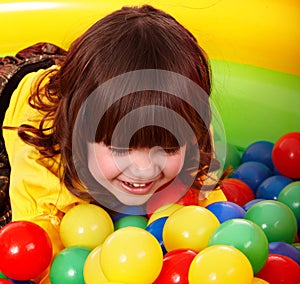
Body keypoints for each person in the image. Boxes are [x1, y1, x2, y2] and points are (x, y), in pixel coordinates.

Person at [2, 4, 226, 282]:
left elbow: (210, 220)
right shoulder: (45, 152)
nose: (144, 169)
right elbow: (36, 251)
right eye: (121, 148)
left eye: (166, 148)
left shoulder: (189, 128)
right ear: (77, 132)